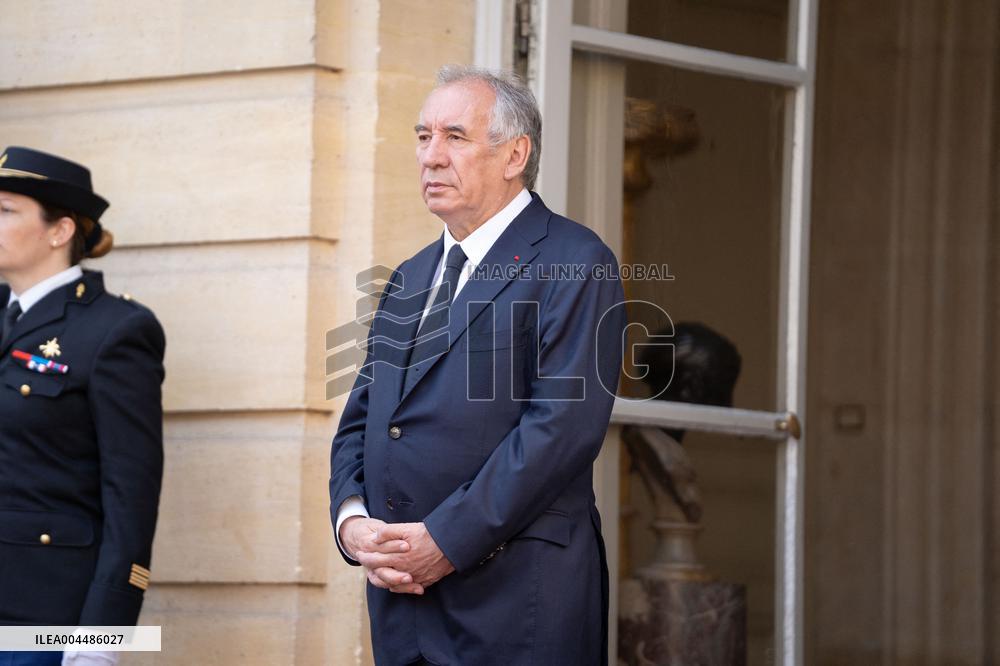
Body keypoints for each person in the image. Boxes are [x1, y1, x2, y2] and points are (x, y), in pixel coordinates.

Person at [329, 66, 627, 665]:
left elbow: (560, 430)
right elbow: (362, 422)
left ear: (515, 153)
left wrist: (444, 540)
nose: (431, 157)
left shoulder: (576, 259)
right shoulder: (409, 277)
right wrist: (354, 525)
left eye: (455, 137)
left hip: (517, 602)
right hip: (403, 604)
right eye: (422, 136)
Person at [0, 147, 166, 666]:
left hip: (42, 622)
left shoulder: (114, 330)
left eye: (5, 210)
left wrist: (101, 640)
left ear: (60, 230)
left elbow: (130, 498)